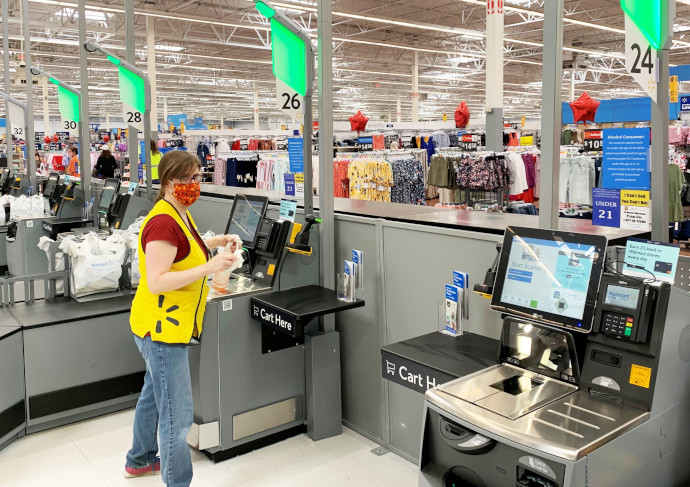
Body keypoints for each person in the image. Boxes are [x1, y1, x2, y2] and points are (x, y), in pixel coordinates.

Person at [125, 150, 240, 486]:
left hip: (161, 324)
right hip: (162, 330)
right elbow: (157, 280)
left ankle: (139, 460)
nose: (194, 184)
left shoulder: (178, 213)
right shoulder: (163, 221)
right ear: (168, 181)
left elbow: (183, 249)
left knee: (153, 392)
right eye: (186, 179)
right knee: (178, 416)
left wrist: (215, 242)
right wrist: (211, 266)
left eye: (197, 177)